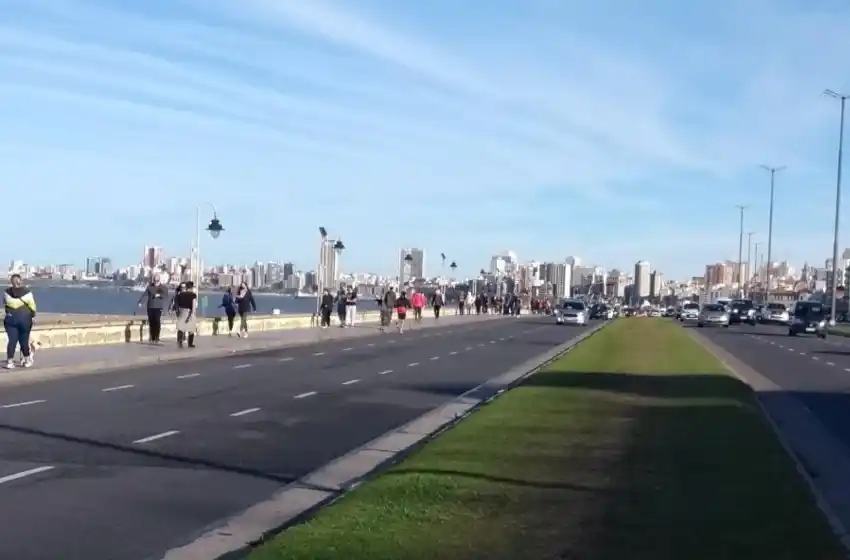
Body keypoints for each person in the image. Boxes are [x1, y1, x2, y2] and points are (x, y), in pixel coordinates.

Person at [4, 274, 36, 369]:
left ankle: (10, 362)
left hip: (11, 319)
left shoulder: (6, 292)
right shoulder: (27, 292)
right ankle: (26, 360)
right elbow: (32, 306)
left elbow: (6, 304)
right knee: (24, 341)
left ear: (11, 282)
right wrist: (33, 315)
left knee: (12, 341)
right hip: (24, 319)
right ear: (20, 281)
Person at [137, 274, 168, 344]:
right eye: (155, 280)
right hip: (150, 307)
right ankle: (152, 337)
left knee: (157, 321)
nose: (156, 282)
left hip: (158, 307)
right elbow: (144, 295)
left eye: (157, 280)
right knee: (151, 322)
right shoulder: (149, 287)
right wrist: (140, 302)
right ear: (153, 280)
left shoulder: (163, 287)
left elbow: (166, 295)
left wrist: (159, 295)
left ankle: (157, 337)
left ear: (159, 280)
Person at [175, 281, 198, 348]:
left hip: (182, 311)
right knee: (191, 329)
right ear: (192, 287)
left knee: (181, 328)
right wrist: (192, 314)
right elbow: (193, 306)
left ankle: (179, 342)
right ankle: (190, 344)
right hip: (189, 312)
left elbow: (177, 305)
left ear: (186, 287)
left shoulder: (180, 295)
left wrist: (178, 312)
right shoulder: (193, 295)